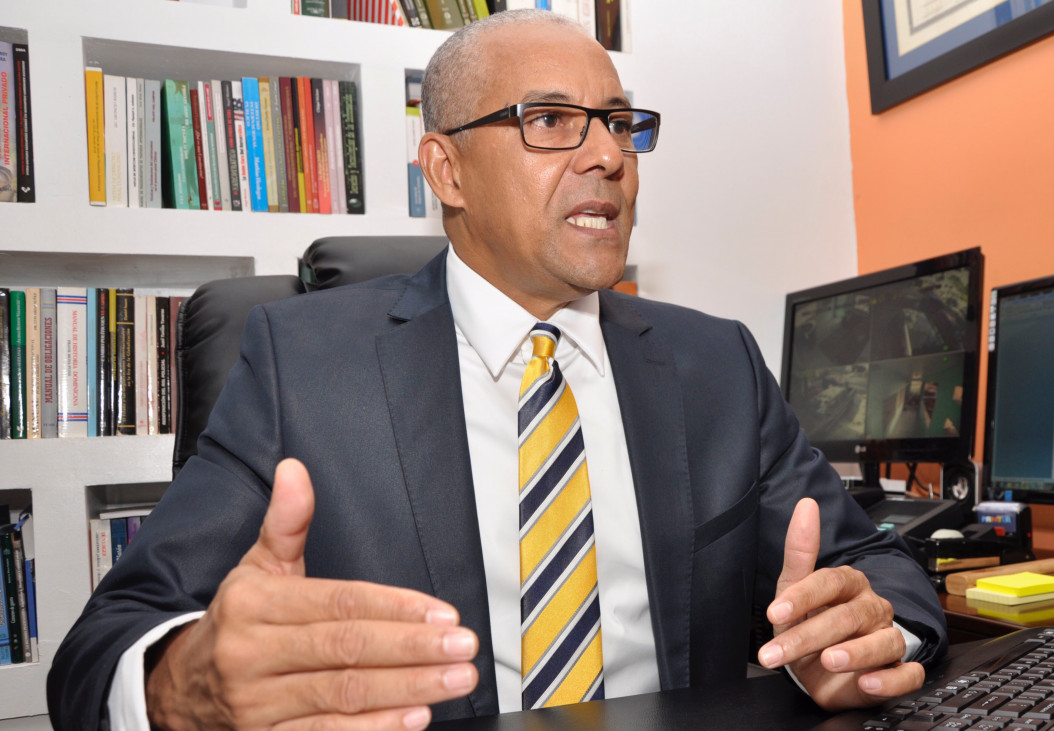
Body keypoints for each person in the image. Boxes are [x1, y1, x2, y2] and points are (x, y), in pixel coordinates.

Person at [48, 10, 946, 729]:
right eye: (550, 121)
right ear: (447, 170)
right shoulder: (302, 364)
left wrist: (866, 636)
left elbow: (879, 569)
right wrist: (186, 685)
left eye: (620, 123)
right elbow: (104, 645)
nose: (610, 157)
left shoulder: (717, 362)